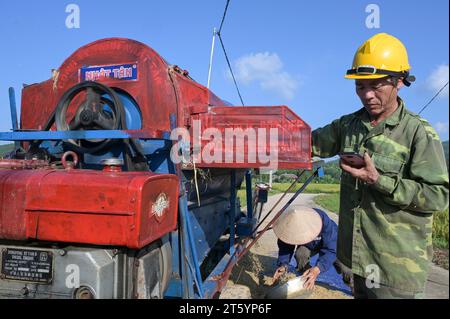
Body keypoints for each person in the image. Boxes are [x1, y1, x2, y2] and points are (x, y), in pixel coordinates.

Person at [312, 33, 449, 298]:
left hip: (395, 270)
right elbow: (306, 143)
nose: (367, 95)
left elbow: (439, 196)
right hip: (356, 260)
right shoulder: (348, 126)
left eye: (376, 86)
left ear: (399, 82)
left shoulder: (418, 133)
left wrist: (380, 181)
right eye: (360, 86)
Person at [272, 206, 349, 290]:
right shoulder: (288, 225)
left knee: (346, 268)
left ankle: (356, 289)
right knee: (300, 254)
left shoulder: (323, 220)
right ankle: (305, 279)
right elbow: (285, 246)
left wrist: (318, 268)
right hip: (309, 245)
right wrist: (283, 264)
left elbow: (331, 249)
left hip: (334, 246)